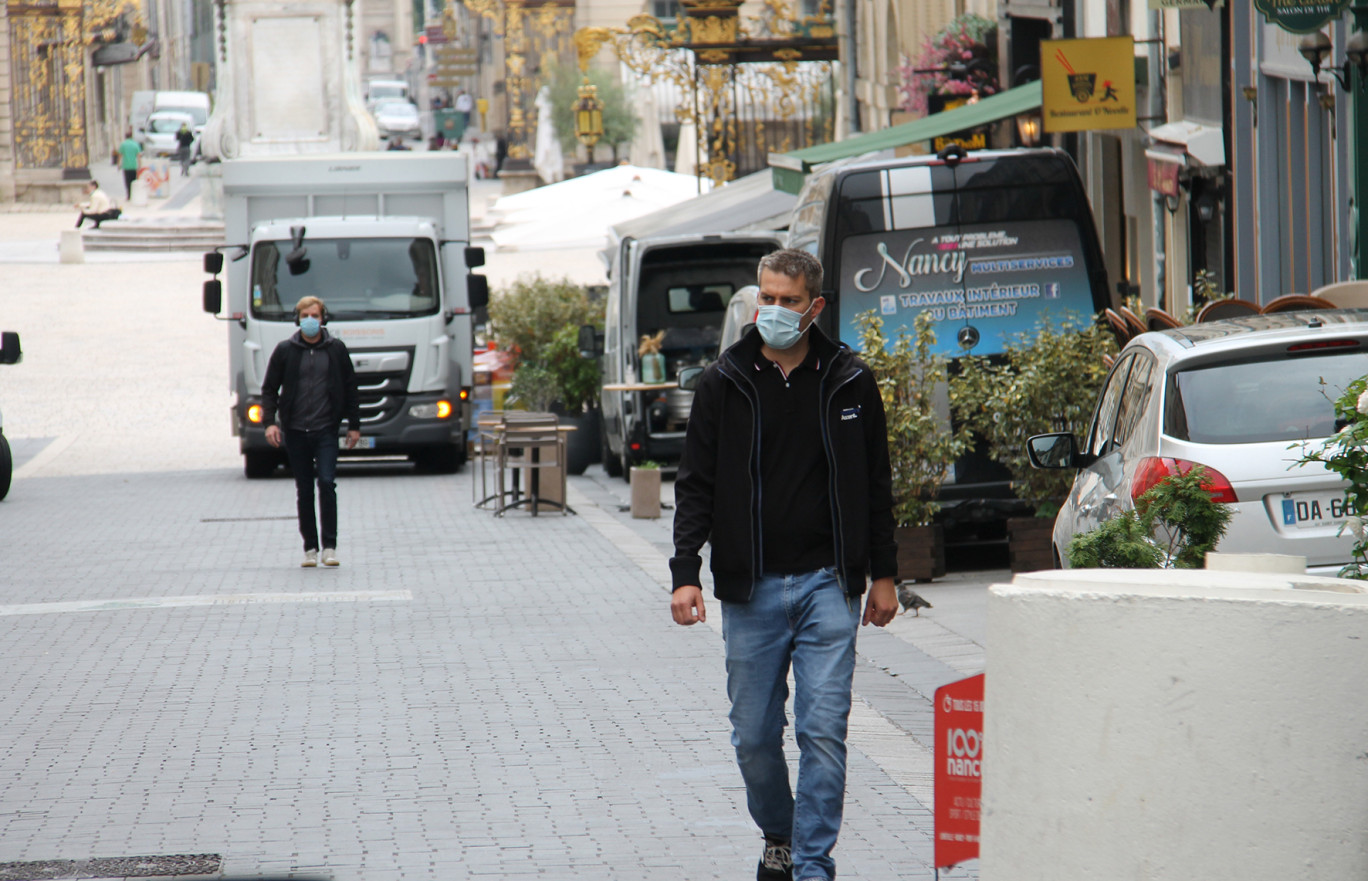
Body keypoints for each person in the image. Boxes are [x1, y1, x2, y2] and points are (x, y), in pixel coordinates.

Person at [670, 248, 898, 881]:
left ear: (814, 306)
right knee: (753, 735)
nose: (772, 309)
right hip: (752, 590)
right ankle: (781, 832)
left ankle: (811, 865)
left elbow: (876, 482)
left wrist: (884, 573)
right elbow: (695, 485)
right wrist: (685, 571)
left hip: (831, 584)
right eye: (765, 297)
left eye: (787, 300)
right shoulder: (724, 382)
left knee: (823, 731)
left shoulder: (850, 381)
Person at [261, 296, 362, 568]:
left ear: (323, 318)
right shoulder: (285, 351)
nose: (310, 321)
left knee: (327, 483)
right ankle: (310, 548)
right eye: (305, 315)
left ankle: (330, 546)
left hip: (326, 429)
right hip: (295, 431)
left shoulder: (336, 350)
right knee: (304, 489)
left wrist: (354, 425)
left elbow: (351, 387)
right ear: (297, 319)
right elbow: (270, 388)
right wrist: (270, 422)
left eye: (315, 315)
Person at [117, 130, 142, 199]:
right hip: (134, 165)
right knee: (133, 180)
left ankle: (128, 195)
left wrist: (118, 164)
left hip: (126, 166)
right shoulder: (135, 144)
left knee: (127, 181)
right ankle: (134, 194)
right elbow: (138, 155)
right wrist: (139, 165)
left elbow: (120, 155)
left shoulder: (123, 144)